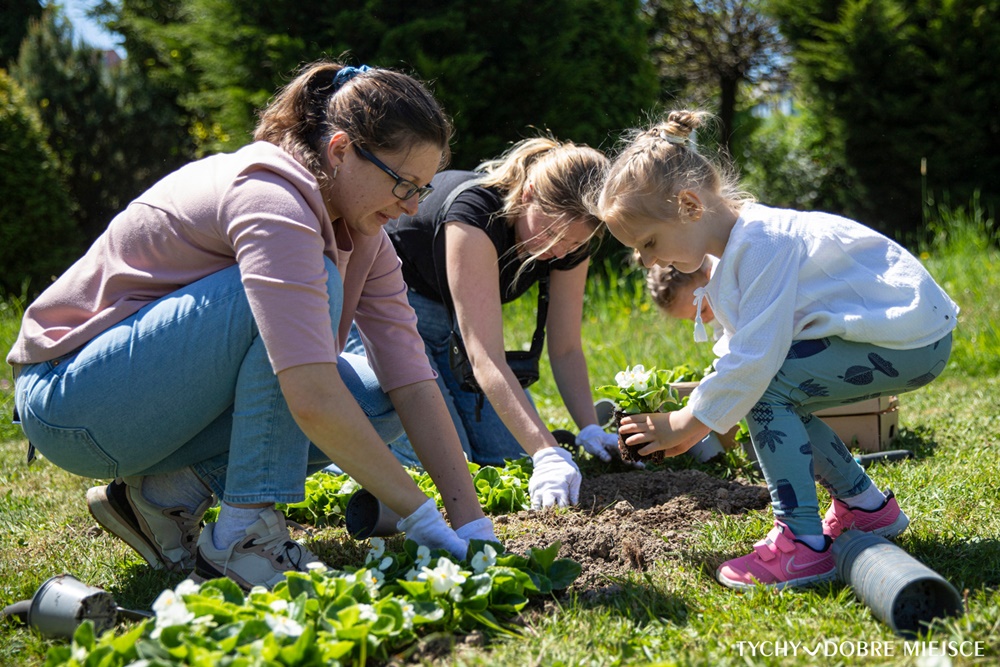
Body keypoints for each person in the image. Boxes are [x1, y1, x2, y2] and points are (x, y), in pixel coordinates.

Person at [7, 60, 495, 591]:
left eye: (421, 190)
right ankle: (243, 537)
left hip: (147, 403)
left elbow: (411, 377)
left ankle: (164, 498)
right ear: (340, 150)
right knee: (313, 301)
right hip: (72, 402)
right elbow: (310, 396)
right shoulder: (273, 200)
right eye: (403, 184)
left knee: (378, 394)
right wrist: (421, 519)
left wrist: (470, 524)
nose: (410, 208)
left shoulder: (365, 234)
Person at [596, 110, 959, 590]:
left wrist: (687, 421)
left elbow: (754, 362)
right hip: (903, 336)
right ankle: (865, 508)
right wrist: (699, 418)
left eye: (648, 242)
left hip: (911, 339)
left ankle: (803, 545)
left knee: (763, 389)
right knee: (768, 392)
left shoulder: (763, 242)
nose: (646, 260)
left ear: (689, 205)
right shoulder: (737, 252)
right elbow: (741, 353)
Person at [369, 136, 621, 509]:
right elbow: (483, 355)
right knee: (448, 467)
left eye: (572, 243)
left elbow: (565, 347)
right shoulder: (474, 216)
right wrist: (547, 452)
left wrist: (589, 427)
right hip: (395, 307)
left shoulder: (571, 242)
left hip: (455, 323)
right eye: (552, 234)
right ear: (528, 193)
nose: (559, 250)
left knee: (509, 462)